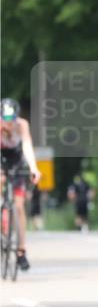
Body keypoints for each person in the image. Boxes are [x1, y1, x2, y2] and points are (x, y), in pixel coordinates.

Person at [0, 98, 42, 270]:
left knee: (19, 207)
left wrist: (34, 168)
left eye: (12, 120)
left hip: (17, 161)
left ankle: (21, 251)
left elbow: (27, 146)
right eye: (5, 119)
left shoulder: (22, 125)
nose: (9, 124)